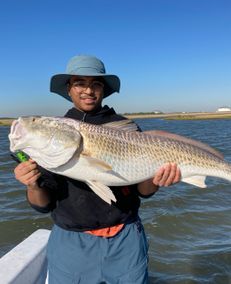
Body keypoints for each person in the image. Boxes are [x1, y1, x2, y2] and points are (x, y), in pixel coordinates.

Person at [14, 55, 181, 284]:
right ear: (69, 89)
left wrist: (158, 178)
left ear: (103, 89)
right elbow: (43, 204)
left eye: (96, 84)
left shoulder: (127, 129)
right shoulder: (54, 135)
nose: (88, 90)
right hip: (71, 244)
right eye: (79, 83)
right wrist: (32, 183)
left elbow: (143, 190)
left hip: (127, 239)